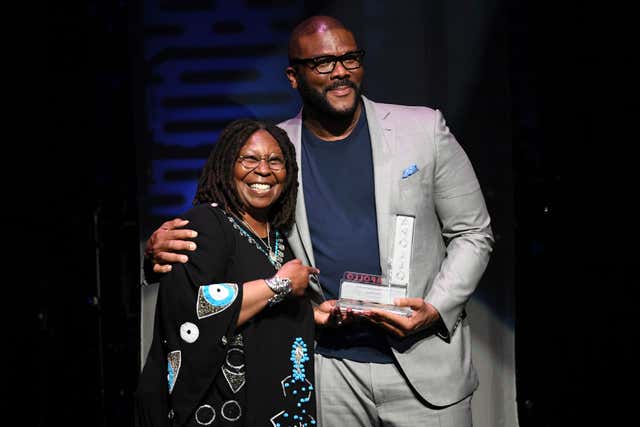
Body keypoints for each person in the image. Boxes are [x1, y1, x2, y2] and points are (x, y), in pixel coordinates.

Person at [144, 16, 494, 427]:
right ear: (294, 76)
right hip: (326, 368)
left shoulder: (422, 129)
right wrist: (161, 253)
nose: (341, 71)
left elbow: (473, 232)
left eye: (350, 58)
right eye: (324, 63)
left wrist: (435, 308)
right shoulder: (273, 150)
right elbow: (229, 231)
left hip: (424, 365)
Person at [135, 118, 322, 426]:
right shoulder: (205, 224)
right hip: (224, 411)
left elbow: (260, 313)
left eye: (275, 160)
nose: (263, 169)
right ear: (226, 165)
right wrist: (282, 285)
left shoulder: (278, 237)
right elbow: (194, 308)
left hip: (275, 407)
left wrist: (311, 313)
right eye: (249, 158)